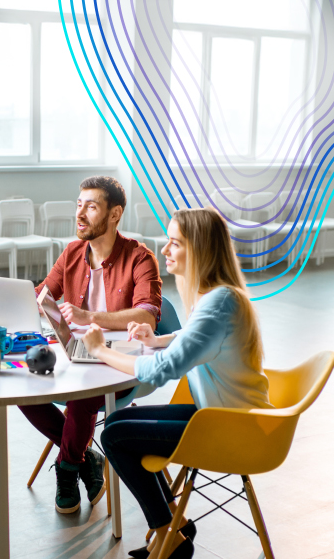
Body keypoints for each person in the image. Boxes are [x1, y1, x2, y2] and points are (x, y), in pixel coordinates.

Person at [88, 208, 272, 559]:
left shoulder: (219, 302)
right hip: (219, 415)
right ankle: (175, 523)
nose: (165, 251)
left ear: (200, 248)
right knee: (116, 423)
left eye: (175, 243)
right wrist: (156, 339)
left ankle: (166, 532)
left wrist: (101, 351)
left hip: (232, 427)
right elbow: (193, 338)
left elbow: (161, 371)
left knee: (114, 436)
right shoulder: (217, 295)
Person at [22, 176, 163, 513]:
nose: (80, 213)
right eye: (79, 204)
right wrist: (12, 300)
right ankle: (87, 458)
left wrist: (90, 317)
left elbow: (147, 316)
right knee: (21, 384)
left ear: (114, 214)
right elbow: (43, 295)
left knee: (82, 394)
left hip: (118, 359)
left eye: (91, 206)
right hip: (76, 354)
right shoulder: (71, 252)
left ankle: (67, 468)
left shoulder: (140, 258)